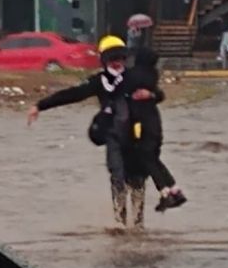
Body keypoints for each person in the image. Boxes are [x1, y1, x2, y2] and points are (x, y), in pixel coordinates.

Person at [27, 36, 156, 231]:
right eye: (113, 58)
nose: (117, 62)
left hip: (137, 137)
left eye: (121, 58)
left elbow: (155, 95)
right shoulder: (98, 82)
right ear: (104, 60)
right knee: (117, 176)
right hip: (113, 135)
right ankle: (119, 223)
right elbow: (72, 94)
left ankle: (138, 225)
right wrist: (40, 106)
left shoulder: (135, 78)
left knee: (137, 180)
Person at [123, 47, 187, 212]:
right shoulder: (152, 77)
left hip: (140, 126)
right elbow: (160, 95)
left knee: (147, 159)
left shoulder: (132, 77)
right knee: (154, 159)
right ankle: (174, 190)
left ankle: (165, 193)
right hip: (155, 125)